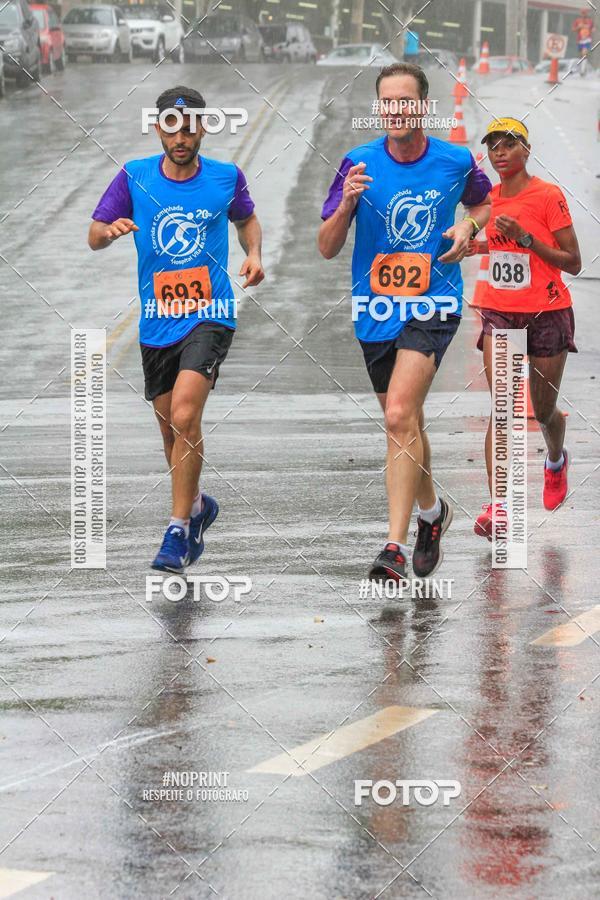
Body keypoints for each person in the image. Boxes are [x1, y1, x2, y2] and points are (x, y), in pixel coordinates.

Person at [318, 62, 491, 582]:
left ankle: (392, 546)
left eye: (405, 101)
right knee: (405, 420)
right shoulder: (357, 163)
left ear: (422, 106)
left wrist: (467, 226)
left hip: (433, 303)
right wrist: (346, 204)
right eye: (387, 102)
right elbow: (326, 248)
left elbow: (483, 204)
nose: (396, 110)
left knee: (397, 415)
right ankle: (432, 514)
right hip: (376, 309)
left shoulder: (455, 160)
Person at [89, 86, 264, 573]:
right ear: (158, 129)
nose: (181, 138)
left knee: (186, 415)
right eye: (171, 128)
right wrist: (109, 232)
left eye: (189, 129)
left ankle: (177, 528)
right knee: (170, 429)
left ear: (203, 128)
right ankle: (199, 505)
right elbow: (94, 235)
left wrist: (253, 254)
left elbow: (247, 220)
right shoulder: (135, 176)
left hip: (210, 313)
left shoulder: (226, 177)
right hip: (157, 321)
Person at [468, 118, 581, 539]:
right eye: (493, 145)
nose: (500, 151)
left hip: (548, 312)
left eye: (509, 144)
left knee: (543, 410)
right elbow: (497, 247)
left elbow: (573, 261)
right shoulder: (487, 200)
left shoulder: (548, 195)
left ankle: (555, 459)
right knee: (503, 407)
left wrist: (528, 239)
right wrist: (472, 245)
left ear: (526, 151)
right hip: (500, 311)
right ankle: (498, 506)